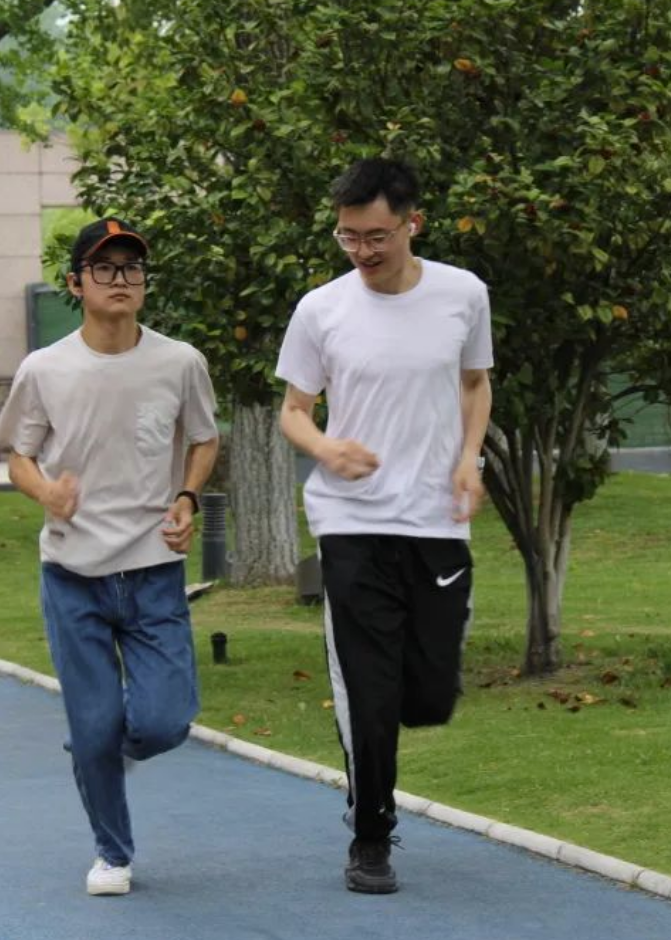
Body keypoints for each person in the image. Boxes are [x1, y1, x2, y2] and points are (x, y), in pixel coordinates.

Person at [275, 158, 493, 894]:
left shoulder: (463, 295)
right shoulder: (321, 310)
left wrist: (469, 459)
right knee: (369, 693)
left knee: (427, 697)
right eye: (347, 237)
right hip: (351, 520)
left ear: (411, 225)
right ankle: (371, 835)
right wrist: (325, 448)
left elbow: (474, 383)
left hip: (436, 520)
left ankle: (396, 726)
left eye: (375, 236)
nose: (361, 251)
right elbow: (294, 411)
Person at [0, 218, 219, 896]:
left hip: (153, 570)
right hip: (72, 576)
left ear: (145, 283)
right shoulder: (44, 369)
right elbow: (18, 454)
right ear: (76, 283)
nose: (120, 279)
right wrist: (46, 493)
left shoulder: (180, 362)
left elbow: (204, 437)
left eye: (132, 268)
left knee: (163, 723)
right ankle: (112, 853)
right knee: (93, 725)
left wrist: (186, 497)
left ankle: (101, 748)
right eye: (104, 268)